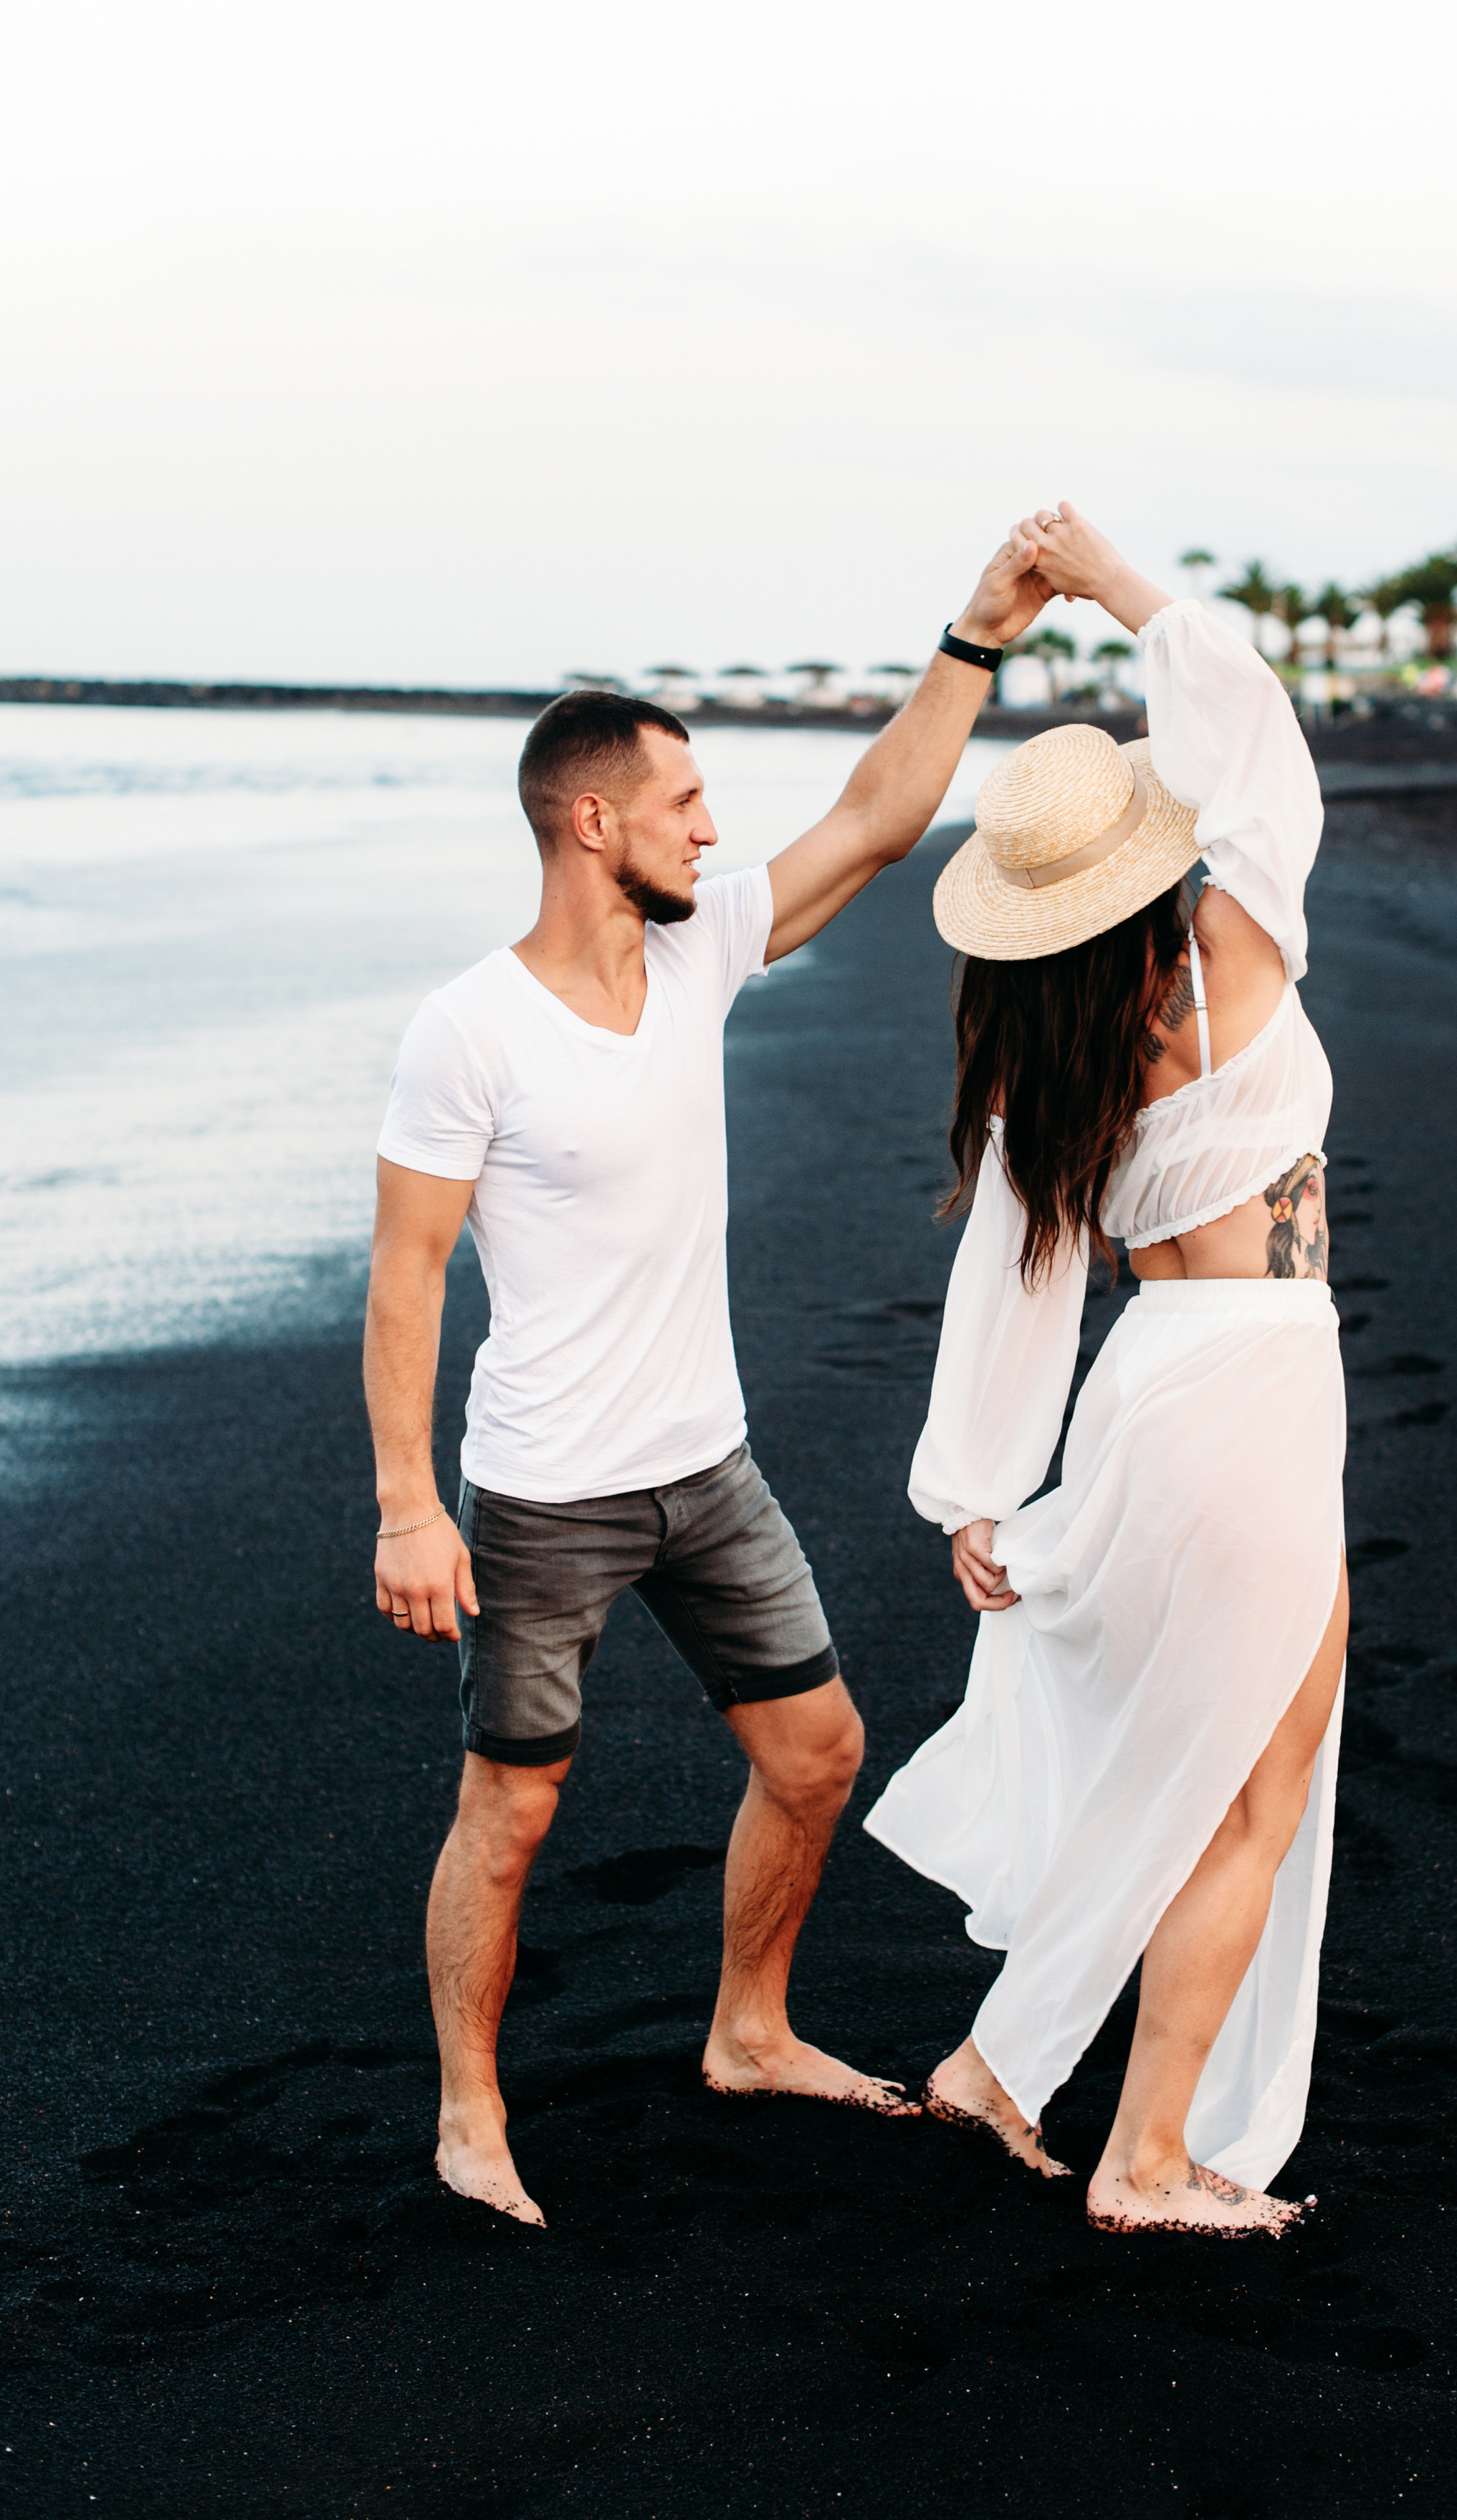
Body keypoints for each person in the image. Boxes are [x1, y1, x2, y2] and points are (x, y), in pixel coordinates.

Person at [365, 522, 1059, 2225]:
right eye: (684, 801)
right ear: (591, 819)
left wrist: (973, 635)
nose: (713, 826)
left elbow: (881, 822)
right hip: (541, 1488)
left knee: (817, 1750)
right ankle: (470, 2109)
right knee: (514, 1806)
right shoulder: (470, 1028)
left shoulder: (695, 954)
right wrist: (404, 1506)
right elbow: (408, 1271)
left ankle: (748, 2026)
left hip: (707, 1466)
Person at [864, 502, 1348, 2237]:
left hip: (1153, 1393)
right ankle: (1143, 2161)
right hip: (1256, 1398)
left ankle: (1004, 2068)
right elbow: (1252, 726)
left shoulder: (1044, 1056)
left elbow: (1012, 1273)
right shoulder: (1225, 962)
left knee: (1186, 1766)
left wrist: (977, 1482)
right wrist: (1116, 579)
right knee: (1247, 1793)